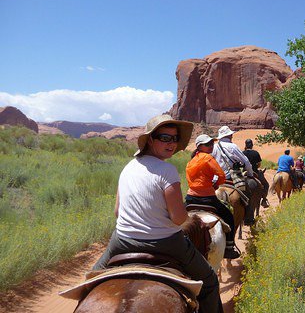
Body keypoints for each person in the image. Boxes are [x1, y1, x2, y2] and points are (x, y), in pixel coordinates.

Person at [93, 114, 222, 313]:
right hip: (166, 242)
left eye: (175, 138)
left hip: (122, 240)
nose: (171, 143)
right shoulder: (167, 170)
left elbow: (117, 211)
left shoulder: (128, 167)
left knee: (91, 279)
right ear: (151, 139)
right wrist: (189, 220)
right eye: (165, 138)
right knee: (210, 281)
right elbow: (178, 218)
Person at [186, 134, 240, 259]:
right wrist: (214, 185)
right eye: (208, 144)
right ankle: (229, 248)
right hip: (208, 199)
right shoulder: (208, 158)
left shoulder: (191, 160)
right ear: (200, 146)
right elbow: (221, 176)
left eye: (212, 143)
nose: (211, 146)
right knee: (229, 217)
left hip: (190, 198)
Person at [211, 126, 254, 194]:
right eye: (231, 135)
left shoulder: (213, 147)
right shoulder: (233, 146)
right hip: (230, 177)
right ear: (229, 135)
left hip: (216, 179)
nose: (232, 136)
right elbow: (246, 161)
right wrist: (250, 174)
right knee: (248, 194)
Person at [242, 138, 270, 208]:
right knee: (266, 185)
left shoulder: (242, 153)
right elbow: (259, 164)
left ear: (246, 145)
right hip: (254, 172)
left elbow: (241, 163)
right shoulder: (256, 153)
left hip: (244, 172)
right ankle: (264, 199)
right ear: (252, 145)